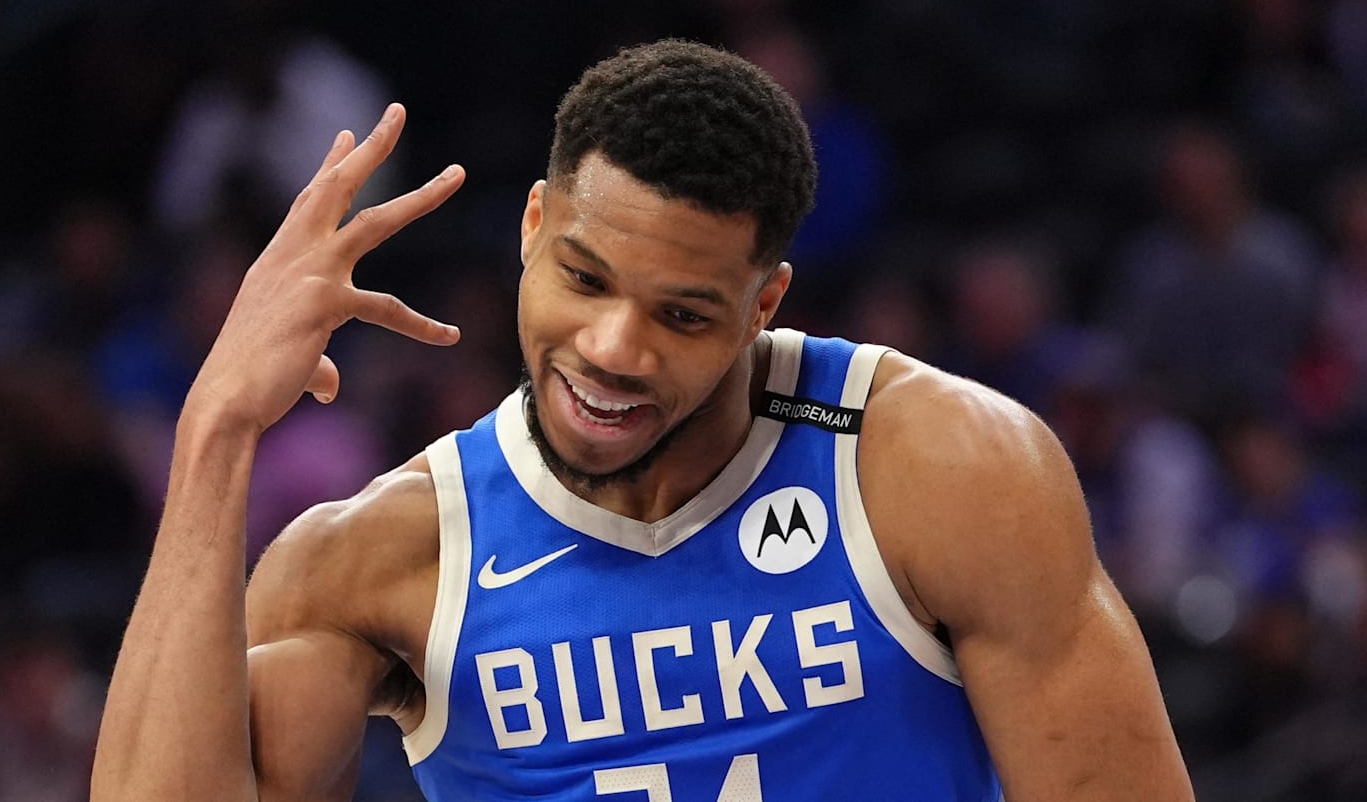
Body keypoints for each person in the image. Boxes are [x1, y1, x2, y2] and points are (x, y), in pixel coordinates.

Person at [91, 40, 1193, 800]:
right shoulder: (383, 558)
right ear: (532, 227)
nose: (615, 348)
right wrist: (217, 429)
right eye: (584, 277)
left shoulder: (941, 470)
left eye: (681, 313)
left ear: (764, 305)